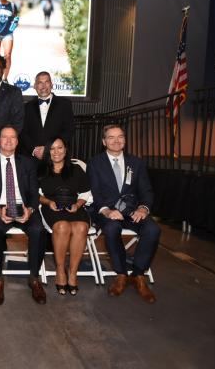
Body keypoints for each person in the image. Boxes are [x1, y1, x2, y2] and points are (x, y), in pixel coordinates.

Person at [87, 124, 160, 303]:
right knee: (112, 229)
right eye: (111, 137)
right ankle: (121, 275)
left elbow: (147, 191)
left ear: (125, 140)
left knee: (153, 230)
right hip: (107, 211)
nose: (116, 140)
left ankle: (138, 275)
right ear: (104, 142)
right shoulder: (95, 163)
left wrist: (143, 208)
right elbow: (94, 193)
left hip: (132, 211)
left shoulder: (136, 163)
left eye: (120, 137)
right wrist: (107, 210)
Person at [0, 126, 46, 305]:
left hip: (23, 206)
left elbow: (34, 193)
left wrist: (30, 210)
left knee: (38, 230)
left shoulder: (28, 163)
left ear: (17, 141)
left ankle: (34, 278)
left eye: (13, 137)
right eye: (5, 137)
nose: (9, 141)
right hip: (0, 207)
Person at [38, 138, 90, 296]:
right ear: (48, 152)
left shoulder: (76, 169)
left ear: (66, 150)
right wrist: (48, 202)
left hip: (74, 207)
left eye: (60, 148)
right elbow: (35, 194)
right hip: (51, 208)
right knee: (63, 226)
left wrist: (78, 205)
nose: (56, 152)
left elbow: (86, 192)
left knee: (81, 227)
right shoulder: (41, 170)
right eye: (52, 149)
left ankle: (72, 272)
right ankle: (60, 270)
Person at [20, 71, 74, 162]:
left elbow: (69, 130)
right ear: (35, 86)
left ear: (51, 85)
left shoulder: (65, 104)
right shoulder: (26, 107)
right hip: (33, 159)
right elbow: (23, 132)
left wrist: (51, 149)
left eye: (47, 82)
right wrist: (34, 150)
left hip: (57, 157)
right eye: (40, 83)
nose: (43, 86)